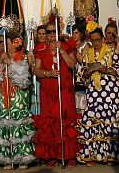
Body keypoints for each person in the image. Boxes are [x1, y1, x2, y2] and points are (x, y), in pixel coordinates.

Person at [75, 20, 119, 165]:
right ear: (90, 40)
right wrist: (88, 72)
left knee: (110, 121)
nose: (96, 43)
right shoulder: (87, 54)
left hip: (109, 92)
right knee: (94, 121)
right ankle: (94, 155)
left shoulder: (111, 51)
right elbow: (80, 74)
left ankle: (112, 155)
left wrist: (106, 70)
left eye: (98, 40)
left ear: (102, 39)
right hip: (94, 92)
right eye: (93, 40)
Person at [0, 30, 35, 169]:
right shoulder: (0, 57)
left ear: (14, 43)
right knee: (6, 122)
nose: (2, 45)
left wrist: (10, 62)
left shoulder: (22, 56)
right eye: (1, 42)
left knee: (18, 121)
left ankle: (23, 157)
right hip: (4, 93)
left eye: (5, 42)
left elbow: (23, 75)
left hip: (18, 94)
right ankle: (8, 157)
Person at [33, 15, 79, 167]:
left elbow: (72, 65)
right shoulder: (40, 49)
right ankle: (51, 155)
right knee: (50, 121)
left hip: (64, 89)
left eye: (54, 31)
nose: (51, 34)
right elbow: (36, 71)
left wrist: (62, 51)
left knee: (66, 120)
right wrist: (48, 73)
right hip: (48, 92)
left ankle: (69, 154)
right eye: (49, 32)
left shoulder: (66, 46)